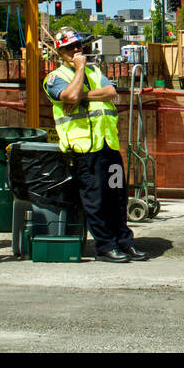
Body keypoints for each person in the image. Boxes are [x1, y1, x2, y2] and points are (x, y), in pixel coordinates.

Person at [44, 28, 148, 263]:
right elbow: (68, 97)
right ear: (60, 51)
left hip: (108, 146)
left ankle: (124, 241)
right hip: (85, 151)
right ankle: (105, 247)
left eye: (78, 46)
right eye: (70, 47)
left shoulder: (95, 71)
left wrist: (83, 94)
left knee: (117, 197)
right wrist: (79, 70)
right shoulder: (55, 77)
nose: (77, 50)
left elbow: (110, 92)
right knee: (96, 199)